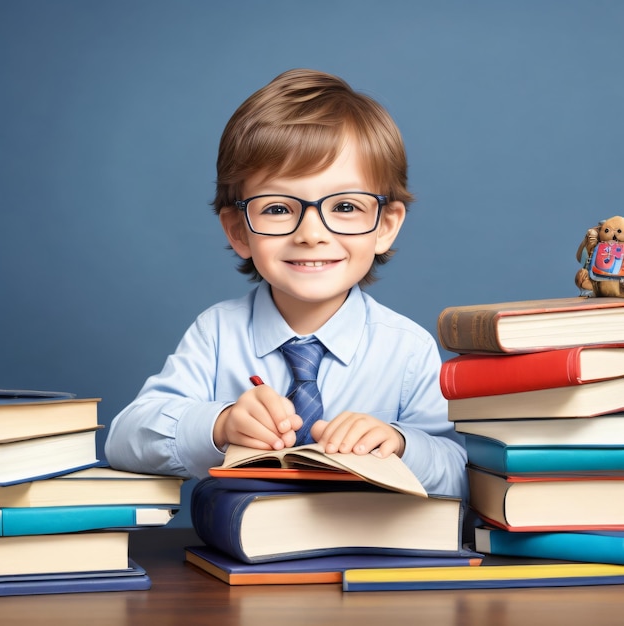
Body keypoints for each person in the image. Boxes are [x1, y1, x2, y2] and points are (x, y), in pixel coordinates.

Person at [104, 68, 468, 499]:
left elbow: (459, 470)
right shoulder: (218, 333)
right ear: (239, 231)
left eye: (346, 205)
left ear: (385, 226)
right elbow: (125, 440)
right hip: (244, 553)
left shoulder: (406, 348)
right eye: (278, 208)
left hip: (373, 556)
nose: (311, 233)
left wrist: (402, 445)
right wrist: (218, 425)